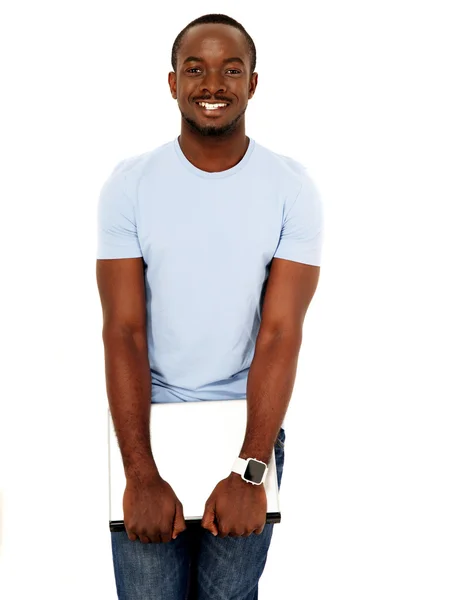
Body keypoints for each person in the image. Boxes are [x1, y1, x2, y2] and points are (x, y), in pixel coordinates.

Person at [96, 12, 323, 600]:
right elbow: (122, 331)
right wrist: (140, 472)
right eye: (195, 69)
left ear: (253, 83)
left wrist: (251, 468)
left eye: (231, 69)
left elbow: (281, 333)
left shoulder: (291, 188)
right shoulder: (130, 184)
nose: (213, 84)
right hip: (146, 427)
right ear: (172, 83)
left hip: (246, 425)